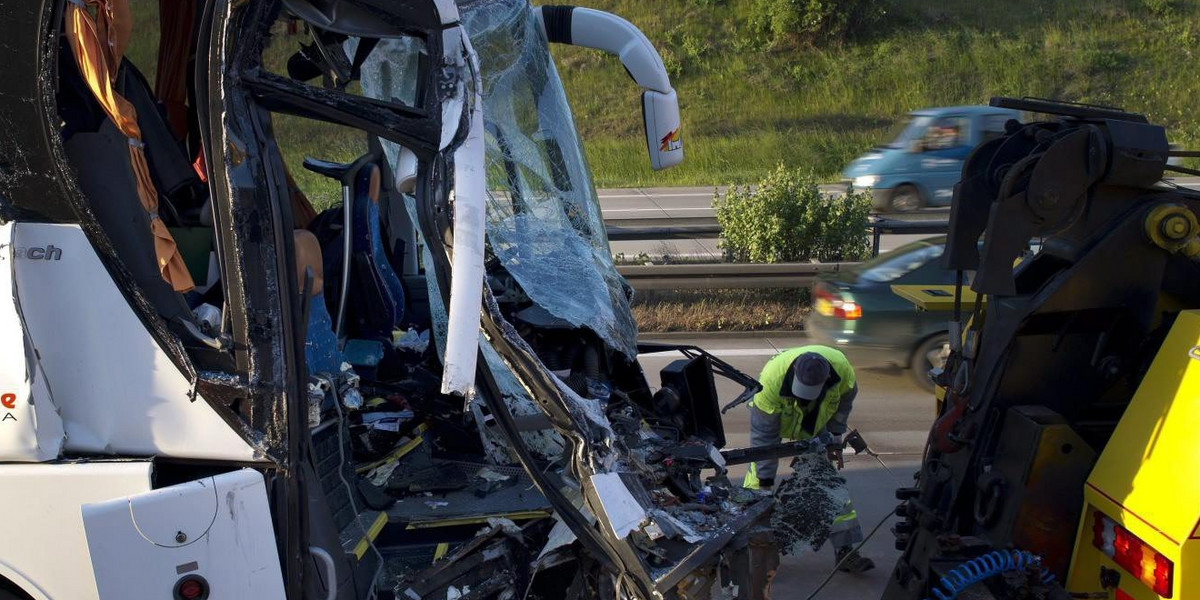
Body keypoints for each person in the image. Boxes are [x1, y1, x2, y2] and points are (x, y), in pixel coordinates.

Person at [742, 345, 875, 573]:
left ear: (826, 381)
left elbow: (843, 405)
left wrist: (835, 436)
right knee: (758, 487)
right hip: (779, 420)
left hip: (815, 424)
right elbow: (763, 441)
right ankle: (748, 556)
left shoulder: (843, 372)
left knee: (829, 486)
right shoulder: (769, 384)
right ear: (794, 373)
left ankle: (846, 552)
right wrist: (765, 482)